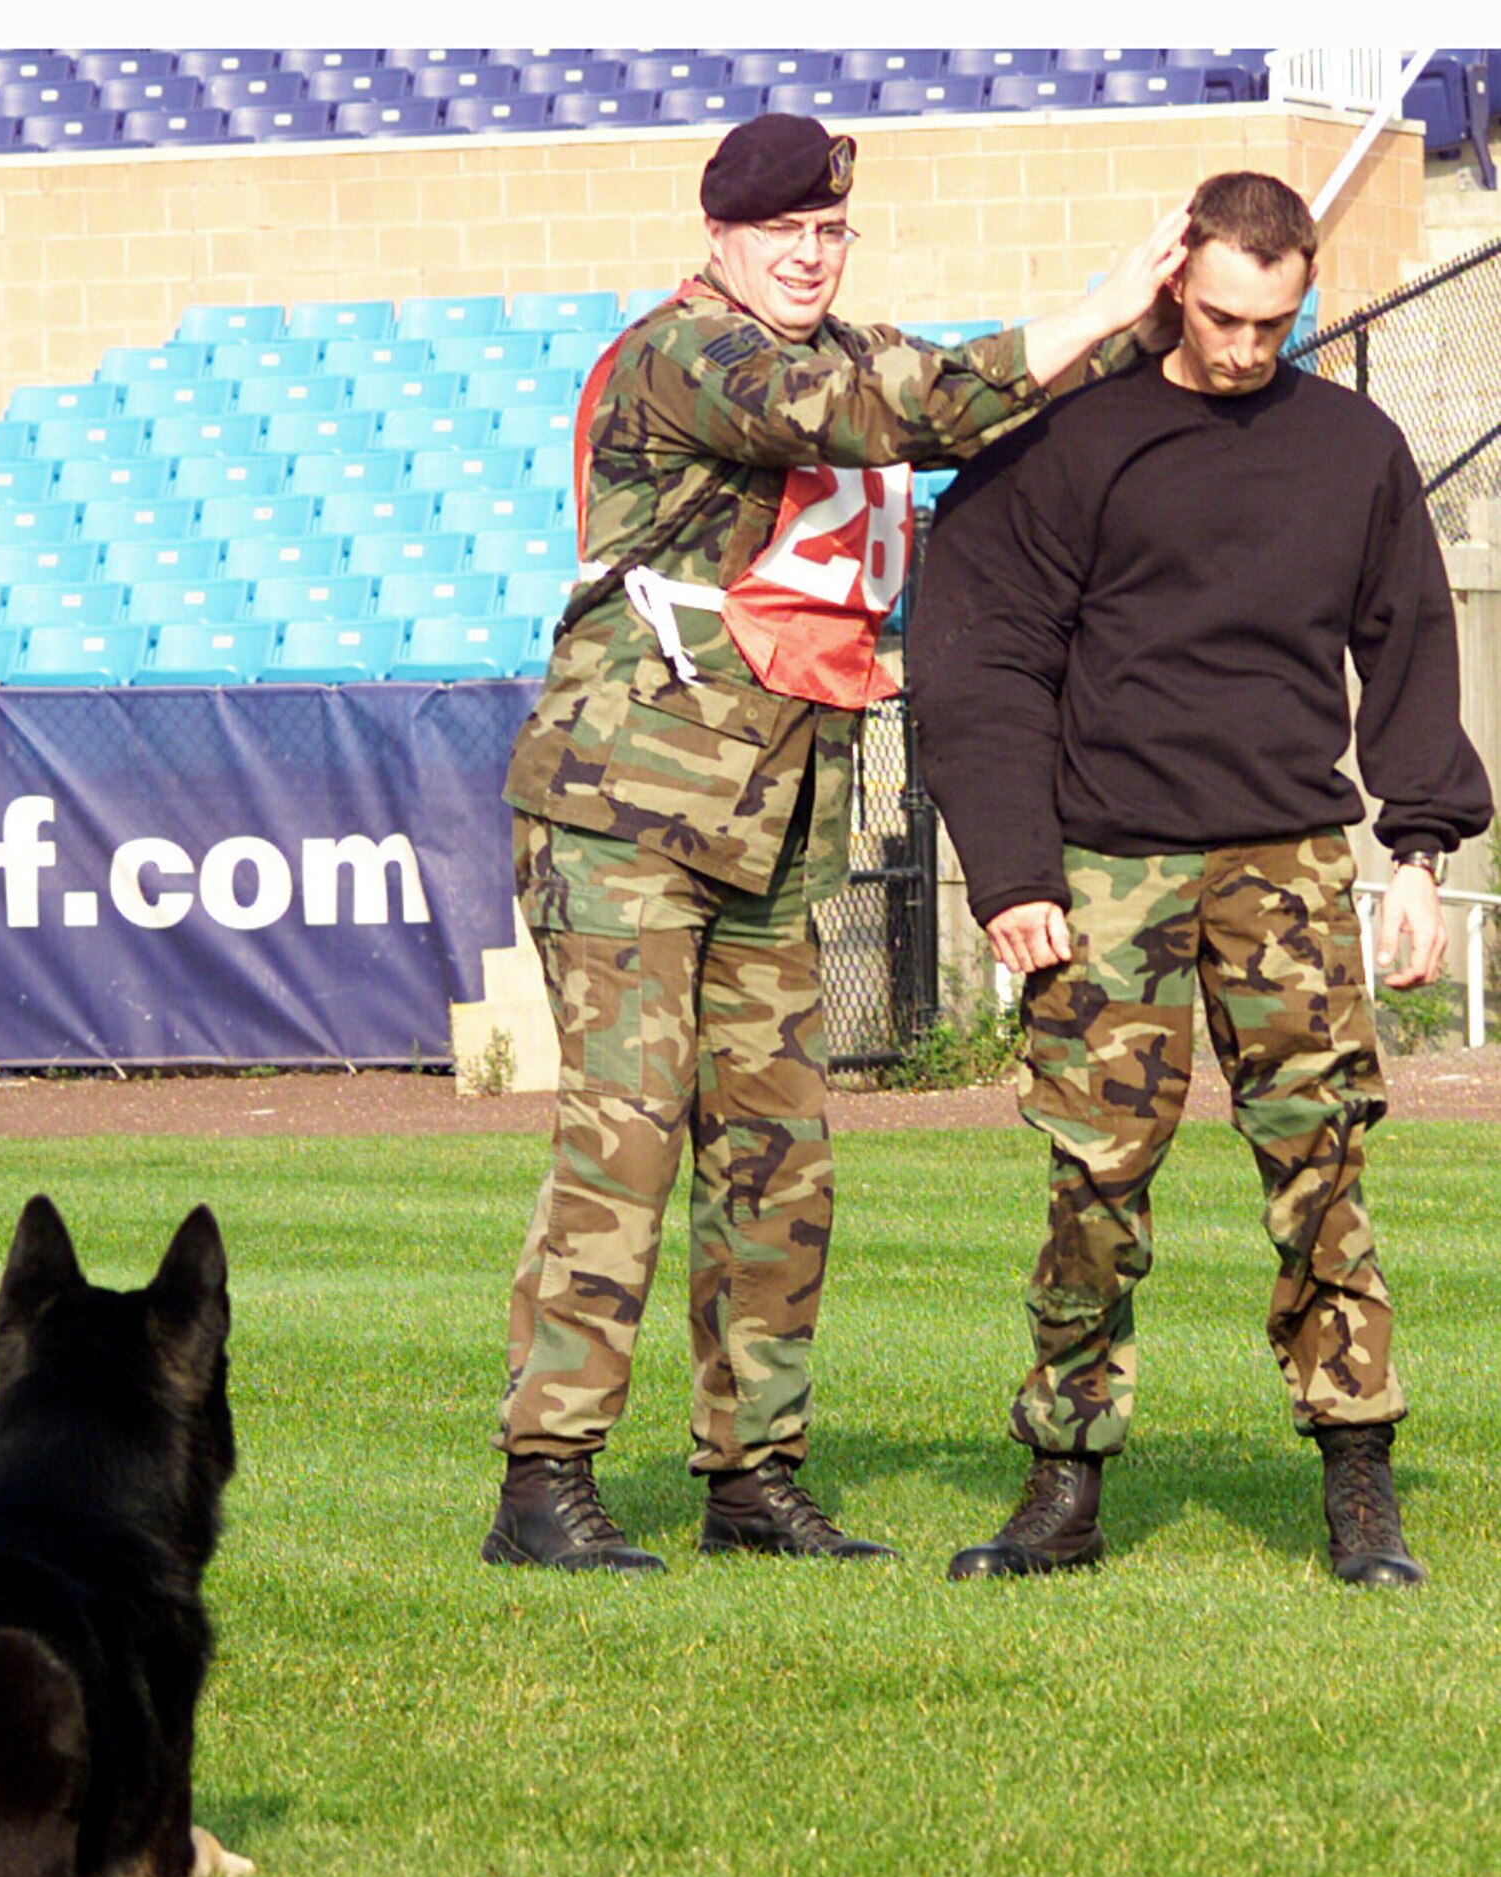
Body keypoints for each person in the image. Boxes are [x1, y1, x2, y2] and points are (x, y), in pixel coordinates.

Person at [481, 111, 1191, 1573]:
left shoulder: (839, 346)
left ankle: (752, 1478)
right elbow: (898, 415)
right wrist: (1106, 301)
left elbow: (978, 404)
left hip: (770, 823)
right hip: (626, 812)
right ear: (722, 239)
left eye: (829, 233)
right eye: (782, 234)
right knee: (622, 1142)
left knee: (779, 1163)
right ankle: (545, 1482)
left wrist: (1164, 322)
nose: (809, 255)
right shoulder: (692, 356)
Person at [909, 170, 1493, 1588]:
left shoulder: (1352, 449)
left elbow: (1410, 649)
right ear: (1178, 281)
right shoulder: (1071, 439)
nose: (1246, 350)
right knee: (1095, 1181)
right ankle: (1064, 1484)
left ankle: (1361, 1487)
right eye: (1226, 317)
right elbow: (977, 660)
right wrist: (1011, 870)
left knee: (1323, 1169)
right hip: (1106, 863)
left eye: (1276, 323)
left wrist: (1417, 852)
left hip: (1289, 861)